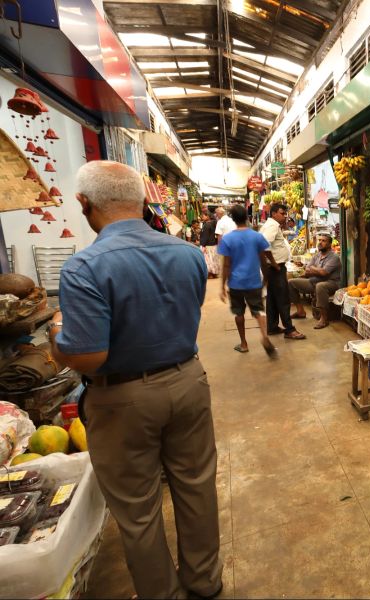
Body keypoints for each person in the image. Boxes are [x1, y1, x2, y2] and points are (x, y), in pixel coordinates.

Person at [48, 160, 221, 600]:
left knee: (138, 509)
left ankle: (162, 593)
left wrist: (56, 336)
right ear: (144, 202)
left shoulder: (85, 267)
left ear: (85, 205)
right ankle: (205, 582)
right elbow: (187, 310)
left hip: (121, 398)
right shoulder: (186, 254)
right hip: (187, 381)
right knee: (197, 488)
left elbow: (89, 355)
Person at [218, 204, 278, 355]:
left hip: (235, 283)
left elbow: (226, 265)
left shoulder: (227, 239)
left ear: (232, 219)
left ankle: (244, 344)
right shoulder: (257, 236)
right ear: (246, 217)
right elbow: (263, 260)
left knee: (238, 313)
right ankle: (264, 336)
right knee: (258, 310)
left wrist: (222, 286)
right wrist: (265, 278)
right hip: (253, 281)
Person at [259, 203, 305, 340]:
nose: (284, 216)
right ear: (273, 213)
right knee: (283, 299)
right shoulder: (272, 225)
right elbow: (264, 246)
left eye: (285, 213)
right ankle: (289, 329)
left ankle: (272, 327)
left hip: (272, 268)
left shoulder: (271, 225)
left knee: (273, 299)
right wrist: (274, 264)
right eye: (282, 213)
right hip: (275, 268)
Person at [289, 232, 341, 329]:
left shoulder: (334, 257)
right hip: (313, 281)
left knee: (320, 286)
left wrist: (313, 270)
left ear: (329, 244)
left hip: (331, 283)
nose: (320, 242)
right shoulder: (317, 255)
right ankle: (300, 311)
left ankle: (324, 319)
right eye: (319, 240)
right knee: (291, 283)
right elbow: (307, 270)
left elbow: (324, 273)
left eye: (324, 241)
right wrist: (315, 271)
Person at [200, 211, 220, 278]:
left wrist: (203, 245)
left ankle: (209, 274)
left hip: (208, 245)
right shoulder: (215, 223)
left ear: (207, 216)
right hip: (214, 244)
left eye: (203, 216)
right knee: (214, 259)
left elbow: (205, 236)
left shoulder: (207, 225)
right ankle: (214, 273)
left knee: (208, 260)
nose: (202, 217)